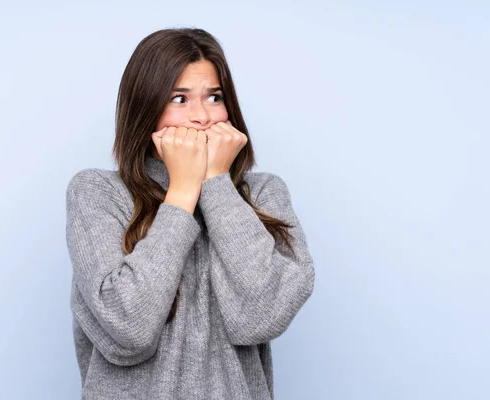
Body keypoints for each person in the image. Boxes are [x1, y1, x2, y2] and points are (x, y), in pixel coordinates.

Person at [65, 27, 315, 400]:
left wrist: (216, 182)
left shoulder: (263, 192)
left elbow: (261, 315)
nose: (201, 116)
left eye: (214, 97)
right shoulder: (97, 193)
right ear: (145, 107)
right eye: (179, 99)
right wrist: (182, 192)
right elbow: (128, 328)